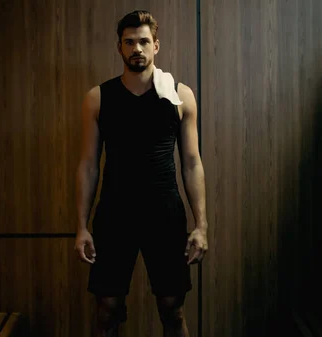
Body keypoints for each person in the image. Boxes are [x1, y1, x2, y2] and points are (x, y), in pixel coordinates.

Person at [74, 10, 209, 337]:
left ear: (156, 46)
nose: (137, 48)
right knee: (106, 309)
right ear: (119, 48)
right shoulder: (98, 98)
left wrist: (201, 225)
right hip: (114, 213)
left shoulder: (180, 96)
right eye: (129, 42)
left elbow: (192, 162)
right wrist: (80, 227)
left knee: (172, 309)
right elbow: (88, 165)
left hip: (164, 212)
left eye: (144, 41)